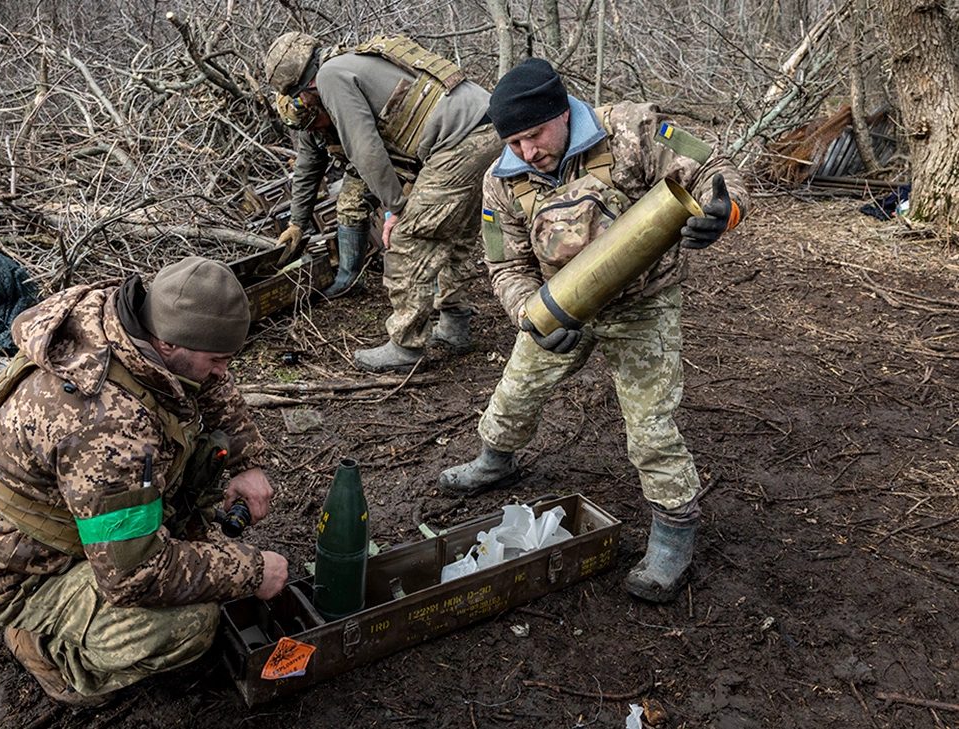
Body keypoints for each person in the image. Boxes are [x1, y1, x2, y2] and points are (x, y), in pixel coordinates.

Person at [438, 58, 748, 604]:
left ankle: (674, 531)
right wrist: (527, 316)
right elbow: (505, 268)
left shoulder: (630, 130)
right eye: (513, 142)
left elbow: (712, 166)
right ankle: (495, 460)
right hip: (563, 304)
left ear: (563, 113)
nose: (526, 153)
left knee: (650, 427)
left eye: (534, 136)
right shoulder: (502, 181)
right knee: (515, 389)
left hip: (642, 305)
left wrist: (727, 209)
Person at [0, 257, 289, 707]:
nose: (223, 371)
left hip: (54, 518)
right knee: (189, 625)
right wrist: (252, 571)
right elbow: (133, 576)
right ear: (167, 343)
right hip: (12, 571)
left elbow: (208, 384)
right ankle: (51, 655)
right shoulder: (109, 429)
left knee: (200, 476)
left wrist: (244, 461)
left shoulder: (125, 326)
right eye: (217, 359)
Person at [264, 32, 503, 372]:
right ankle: (454, 326)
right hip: (490, 125)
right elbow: (309, 166)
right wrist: (297, 222)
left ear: (302, 86)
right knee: (455, 237)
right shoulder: (358, 59)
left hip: (457, 143)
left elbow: (366, 150)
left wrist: (395, 209)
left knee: (407, 239)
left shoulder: (331, 77)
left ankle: (405, 347)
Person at [273, 92, 382, 297]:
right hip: (363, 166)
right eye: (307, 128)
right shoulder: (310, 128)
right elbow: (307, 171)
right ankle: (348, 279)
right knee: (349, 207)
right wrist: (296, 224)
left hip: (395, 155)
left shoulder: (346, 107)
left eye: (314, 123)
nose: (314, 130)